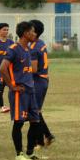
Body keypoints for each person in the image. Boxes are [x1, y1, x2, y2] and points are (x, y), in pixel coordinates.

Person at [0, 21, 41, 160]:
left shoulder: (28, 49)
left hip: (31, 91)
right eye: (33, 31)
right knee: (19, 123)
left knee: (35, 121)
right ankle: (19, 154)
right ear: (25, 33)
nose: (35, 34)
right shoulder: (13, 49)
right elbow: (2, 68)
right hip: (19, 93)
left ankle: (30, 152)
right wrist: (12, 86)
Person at [29, 20, 55, 148]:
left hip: (38, 80)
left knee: (35, 112)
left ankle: (39, 141)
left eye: (30, 29)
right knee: (36, 111)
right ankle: (46, 136)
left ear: (35, 32)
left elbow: (33, 69)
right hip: (43, 79)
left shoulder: (33, 48)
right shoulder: (40, 43)